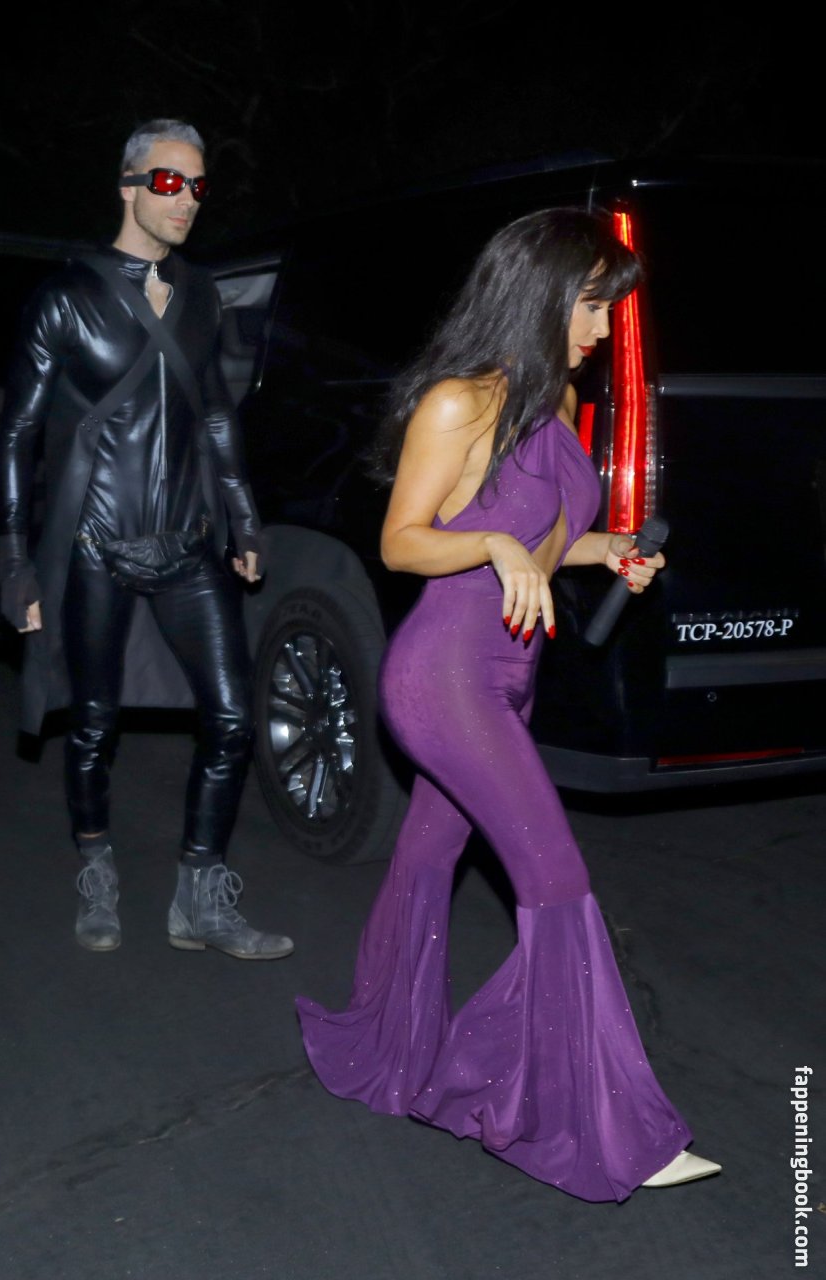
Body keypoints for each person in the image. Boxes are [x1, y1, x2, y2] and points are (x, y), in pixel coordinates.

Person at [295, 208, 720, 1202]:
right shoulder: (458, 402)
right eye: (591, 305)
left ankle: (386, 1049)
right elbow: (403, 541)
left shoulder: (556, 398)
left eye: (610, 309)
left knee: (426, 859)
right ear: (539, 293)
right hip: (442, 677)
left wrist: (607, 551)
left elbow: (541, 541)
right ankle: (605, 1127)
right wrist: (490, 545)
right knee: (554, 872)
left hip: (506, 676)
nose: (604, 328)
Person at [0, 118, 292, 961]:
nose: (186, 200)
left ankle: (199, 896)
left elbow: (216, 412)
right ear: (127, 187)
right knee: (92, 723)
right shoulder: (65, 298)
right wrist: (15, 561)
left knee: (231, 718)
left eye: (197, 186)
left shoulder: (201, 296)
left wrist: (242, 516)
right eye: (168, 182)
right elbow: (17, 434)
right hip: (94, 545)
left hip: (187, 543)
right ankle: (97, 873)